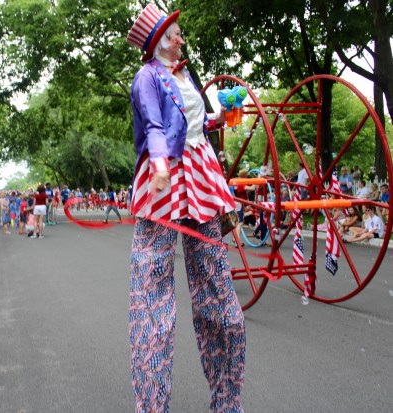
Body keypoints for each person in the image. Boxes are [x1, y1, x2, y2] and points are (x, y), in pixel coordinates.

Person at [126, 5, 245, 412]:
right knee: (153, 309)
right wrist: (159, 165)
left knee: (220, 297)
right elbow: (155, 126)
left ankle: (227, 402)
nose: (181, 38)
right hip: (164, 186)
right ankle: (152, 407)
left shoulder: (184, 75)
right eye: (175, 33)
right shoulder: (146, 77)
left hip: (202, 181)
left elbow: (193, 123)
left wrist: (222, 118)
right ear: (160, 39)